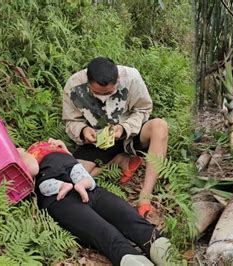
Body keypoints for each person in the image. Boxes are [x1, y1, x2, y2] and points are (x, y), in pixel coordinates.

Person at [19, 138, 171, 266]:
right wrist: (21, 151)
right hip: (60, 197)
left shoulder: (62, 152)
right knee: (109, 236)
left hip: (89, 188)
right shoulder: (25, 155)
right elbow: (32, 169)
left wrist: (63, 148)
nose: (47, 144)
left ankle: (172, 260)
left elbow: (77, 166)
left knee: (132, 220)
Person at [62, 56, 169, 217]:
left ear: (117, 80)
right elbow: (71, 121)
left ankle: (145, 198)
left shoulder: (131, 78)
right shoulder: (74, 85)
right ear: (88, 82)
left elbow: (144, 109)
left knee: (160, 126)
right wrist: (83, 131)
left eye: (109, 92)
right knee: (73, 180)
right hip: (97, 142)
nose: (104, 97)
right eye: (98, 93)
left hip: (129, 134)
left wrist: (123, 128)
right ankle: (119, 160)